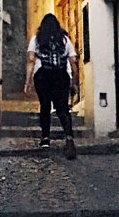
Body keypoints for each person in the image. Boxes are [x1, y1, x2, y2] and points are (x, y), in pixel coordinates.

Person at [24, 13, 79, 158]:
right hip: (61, 76)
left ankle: (45, 138)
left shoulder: (37, 39)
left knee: (45, 106)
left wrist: (28, 81)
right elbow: (73, 61)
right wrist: (74, 82)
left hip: (43, 76)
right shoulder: (65, 39)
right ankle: (69, 137)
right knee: (62, 108)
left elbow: (31, 60)